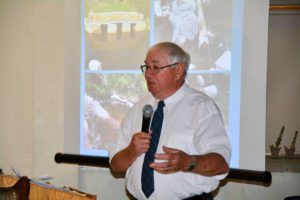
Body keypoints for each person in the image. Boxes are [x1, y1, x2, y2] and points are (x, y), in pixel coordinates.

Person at [109, 42, 231, 200]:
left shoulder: (201, 108)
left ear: (178, 70)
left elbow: (221, 164)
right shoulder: (139, 108)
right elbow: (115, 165)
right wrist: (131, 151)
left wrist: (188, 162)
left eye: (156, 67)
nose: (148, 74)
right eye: (146, 67)